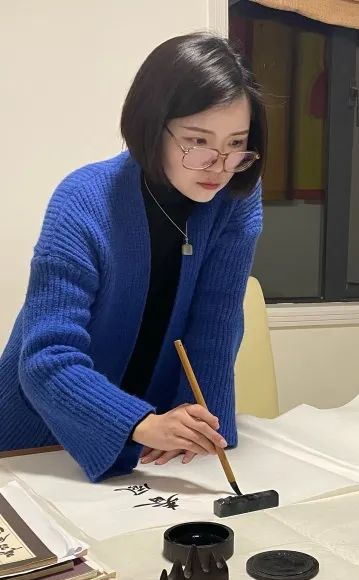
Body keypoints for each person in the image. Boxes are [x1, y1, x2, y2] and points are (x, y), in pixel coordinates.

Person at [0, 32, 266, 482]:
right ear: (151, 125)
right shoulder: (83, 199)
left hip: (153, 446)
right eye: (198, 141)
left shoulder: (235, 201)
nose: (220, 165)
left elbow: (216, 325)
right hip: (42, 438)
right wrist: (140, 423)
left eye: (236, 143)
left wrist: (206, 428)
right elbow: (46, 356)